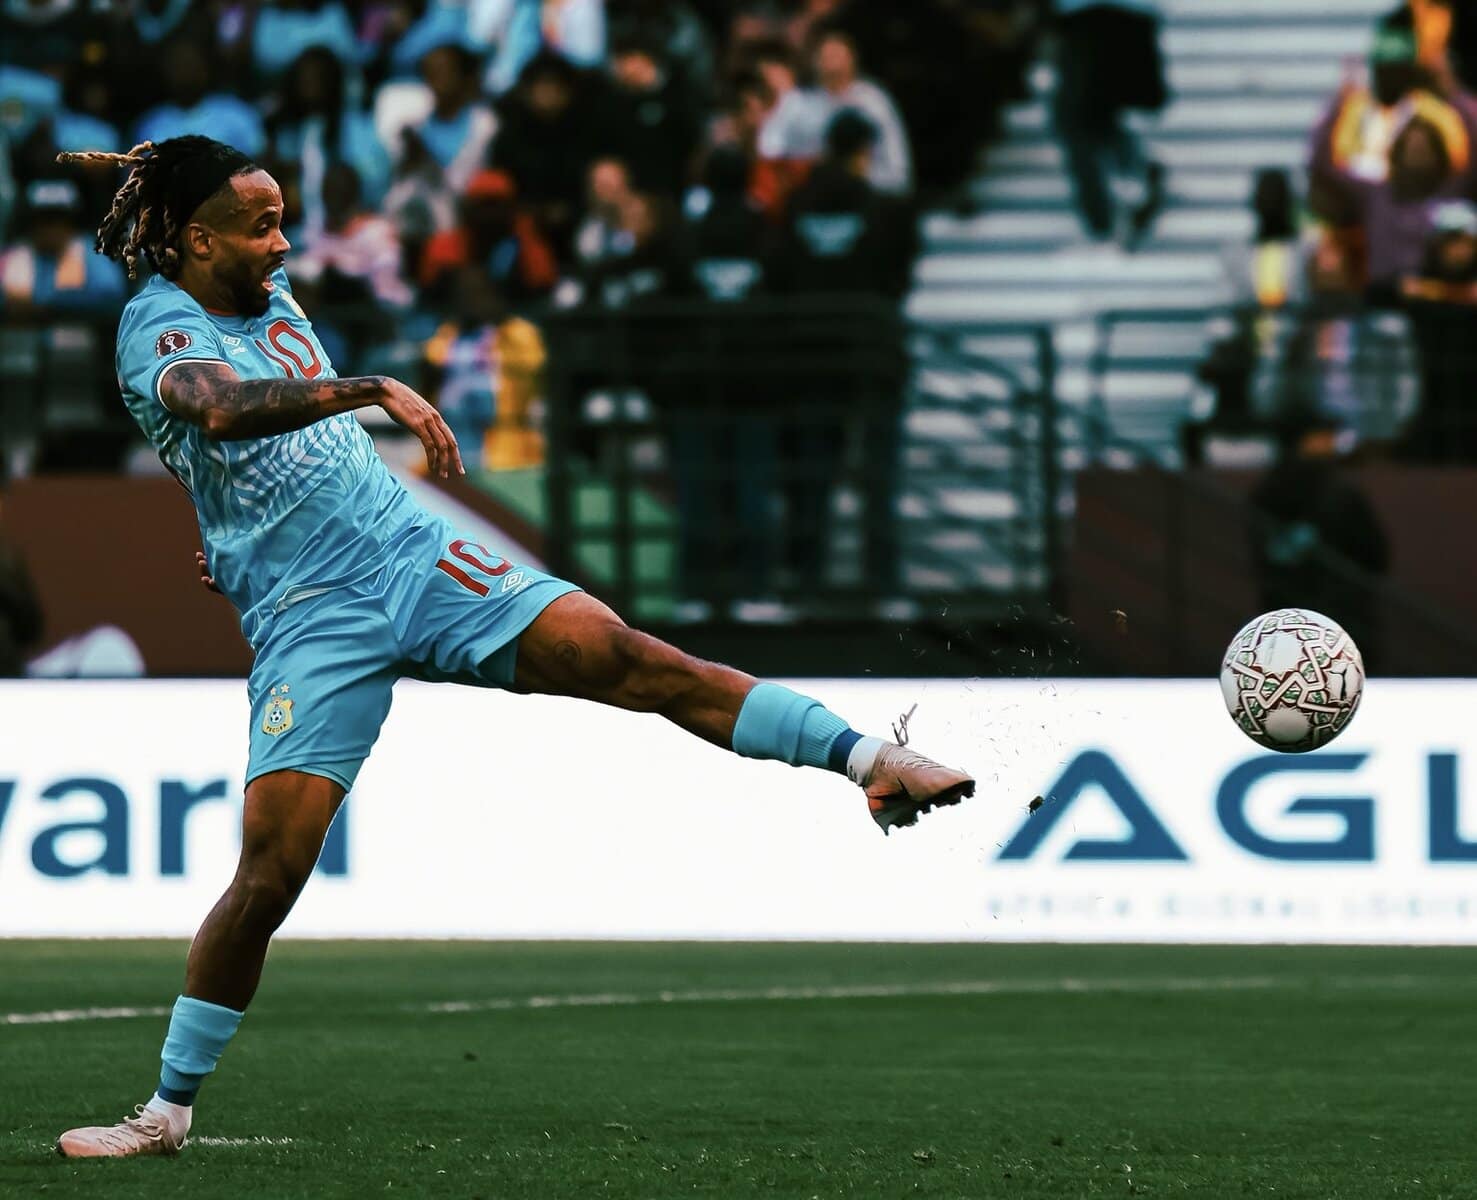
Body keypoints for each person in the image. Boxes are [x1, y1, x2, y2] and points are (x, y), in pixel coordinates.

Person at [50, 135, 974, 1158]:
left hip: (415, 555)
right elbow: (215, 410)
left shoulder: (264, 292)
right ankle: (167, 1113)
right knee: (270, 873)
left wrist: (234, 527)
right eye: (261, 227)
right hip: (312, 616)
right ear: (194, 239)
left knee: (629, 657)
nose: (283, 244)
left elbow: (265, 455)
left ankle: (870, 760)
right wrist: (367, 390)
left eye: (283, 222)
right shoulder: (157, 324)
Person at [1052, 0, 1168, 246]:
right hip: (1112, 17)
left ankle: (1108, 211)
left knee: (1082, 117)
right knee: (1096, 114)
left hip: (1091, 18)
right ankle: (1128, 185)